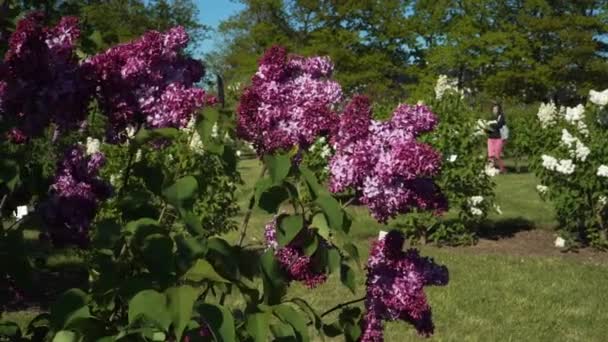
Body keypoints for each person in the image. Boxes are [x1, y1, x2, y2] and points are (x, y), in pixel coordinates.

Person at [487, 102, 507, 173]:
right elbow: (487, 127)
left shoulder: (501, 116)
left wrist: (491, 124)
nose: (495, 110)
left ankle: (502, 169)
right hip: (490, 138)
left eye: (496, 109)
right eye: (494, 109)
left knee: (497, 155)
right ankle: (490, 169)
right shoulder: (490, 117)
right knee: (490, 155)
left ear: (499, 110)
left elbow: (499, 125)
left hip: (498, 138)